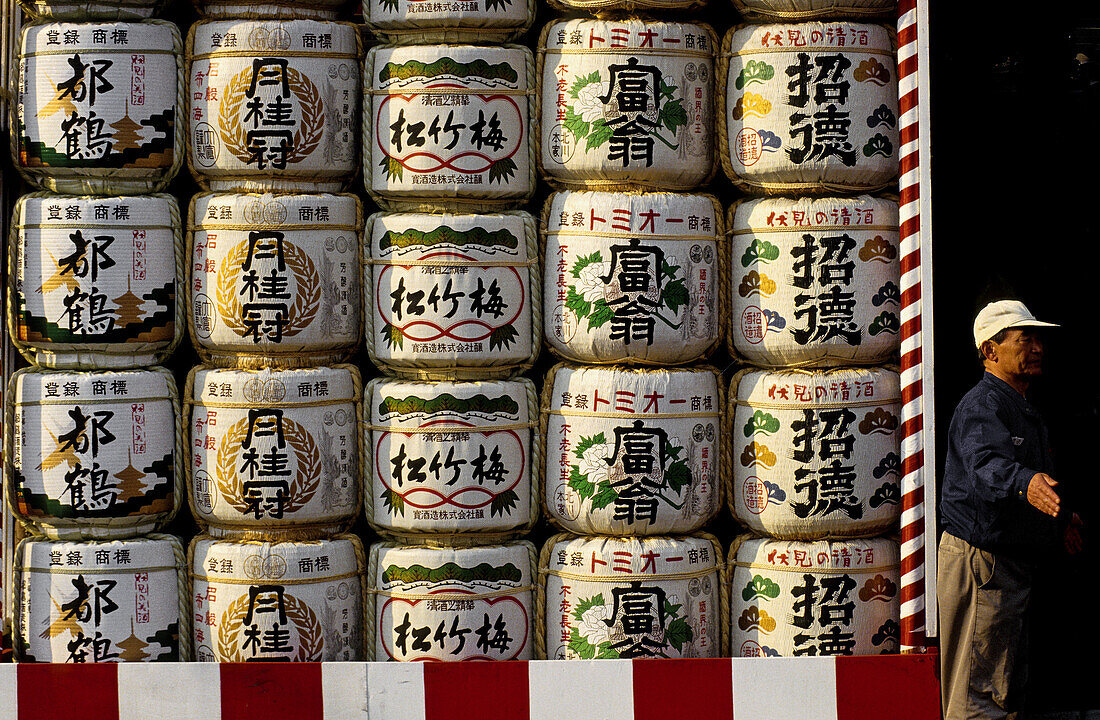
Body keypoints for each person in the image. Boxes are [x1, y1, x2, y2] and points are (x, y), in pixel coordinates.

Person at [938, 299, 1084, 720]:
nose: (1037, 346)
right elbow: (986, 467)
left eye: (1039, 338)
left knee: (1005, 692)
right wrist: (1027, 482)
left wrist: (1060, 518)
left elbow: (1028, 481)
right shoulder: (982, 405)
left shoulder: (1017, 404)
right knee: (979, 697)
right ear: (990, 350)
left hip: (1008, 566)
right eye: (1025, 339)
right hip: (983, 566)